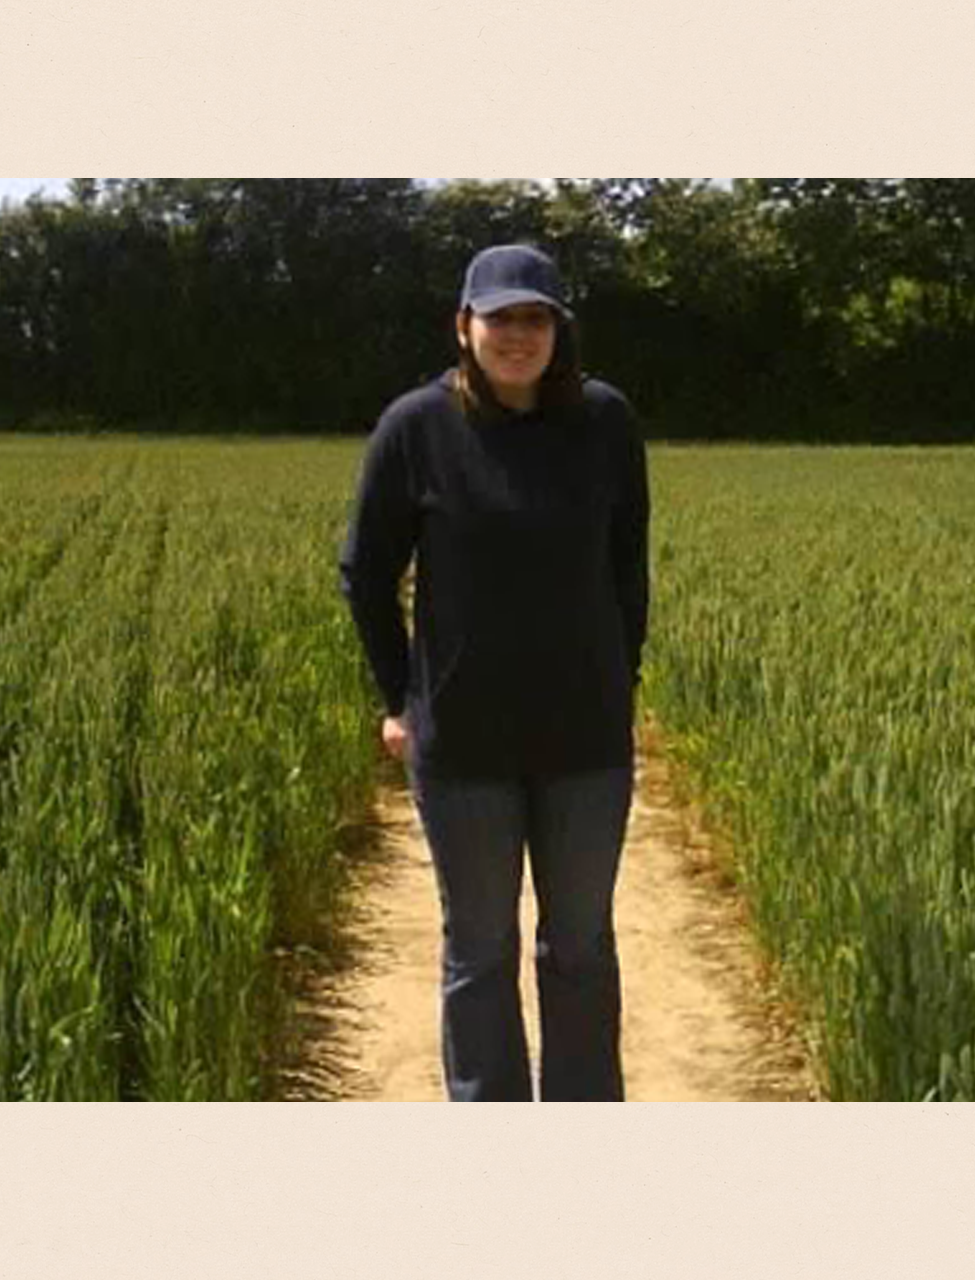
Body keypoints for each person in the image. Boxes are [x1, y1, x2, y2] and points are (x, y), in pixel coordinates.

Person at [337, 243, 650, 1101]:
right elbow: (366, 572)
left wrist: (621, 680)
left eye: (536, 318)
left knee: (580, 946)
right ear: (464, 325)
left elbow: (628, 567)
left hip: (585, 742)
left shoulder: (606, 422)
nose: (518, 334)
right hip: (463, 740)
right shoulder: (416, 428)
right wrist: (398, 697)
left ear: (559, 330)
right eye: (501, 317)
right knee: (478, 949)